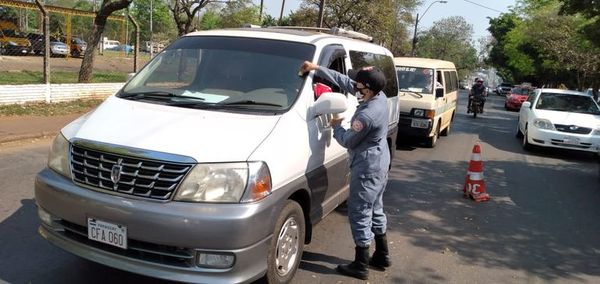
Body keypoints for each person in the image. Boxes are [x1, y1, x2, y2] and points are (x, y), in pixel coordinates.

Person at [299, 61, 392, 280]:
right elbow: (344, 81)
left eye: (358, 84)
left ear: (366, 89)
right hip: (380, 163)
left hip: (367, 166)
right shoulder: (379, 96)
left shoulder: (366, 116)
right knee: (375, 206)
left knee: (360, 211)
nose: (354, 86)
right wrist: (316, 68)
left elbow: (349, 141)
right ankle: (382, 254)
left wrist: (336, 126)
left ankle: (361, 264)